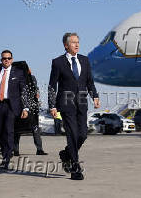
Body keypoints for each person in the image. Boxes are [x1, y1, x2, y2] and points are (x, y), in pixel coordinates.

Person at [48, 33, 100, 180]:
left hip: (82, 104)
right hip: (66, 104)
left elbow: (89, 81)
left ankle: (66, 154)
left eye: (78, 42)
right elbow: (52, 86)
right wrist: (52, 105)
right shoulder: (57, 62)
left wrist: (95, 96)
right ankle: (75, 168)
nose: (77, 45)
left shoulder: (84, 60)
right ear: (66, 45)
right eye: (73, 43)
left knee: (83, 134)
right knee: (72, 135)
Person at [0, 50, 29, 169]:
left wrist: (25, 108)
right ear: (1, 60)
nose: (7, 60)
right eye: (4, 58)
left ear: (12, 60)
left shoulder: (18, 73)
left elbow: (23, 91)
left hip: (11, 106)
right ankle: (5, 152)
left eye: (9, 58)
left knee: (9, 131)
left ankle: (7, 157)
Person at [14, 70, 48, 156]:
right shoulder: (17, 78)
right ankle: (15, 150)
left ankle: (39, 149)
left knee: (35, 128)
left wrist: (37, 94)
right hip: (19, 106)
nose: (29, 71)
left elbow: (36, 89)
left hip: (32, 107)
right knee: (17, 130)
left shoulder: (32, 78)